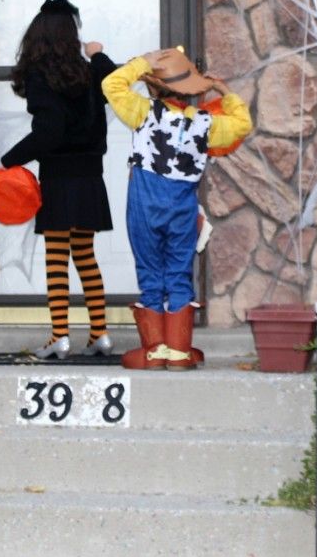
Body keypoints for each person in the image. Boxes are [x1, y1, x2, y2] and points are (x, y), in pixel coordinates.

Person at [101, 47, 252, 369]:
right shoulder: (206, 123)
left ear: (154, 87)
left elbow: (111, 85)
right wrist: (224, 91)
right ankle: (180, 350)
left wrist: (142, 64)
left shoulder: (144, 112)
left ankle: (155, 350)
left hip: (145, 204)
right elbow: (242, 124)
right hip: (182, 206)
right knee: (179, 270)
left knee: (150, 269)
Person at [0, 0, 119, 359]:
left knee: (56, 256)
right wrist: (98, 53)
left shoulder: (41, 77)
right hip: (89, 177)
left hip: (60, 178)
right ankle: (100, 333)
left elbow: (49, 132)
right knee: (85, 255)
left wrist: (10, 160)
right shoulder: (87, 71)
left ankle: (59, 336)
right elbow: (115, 82)